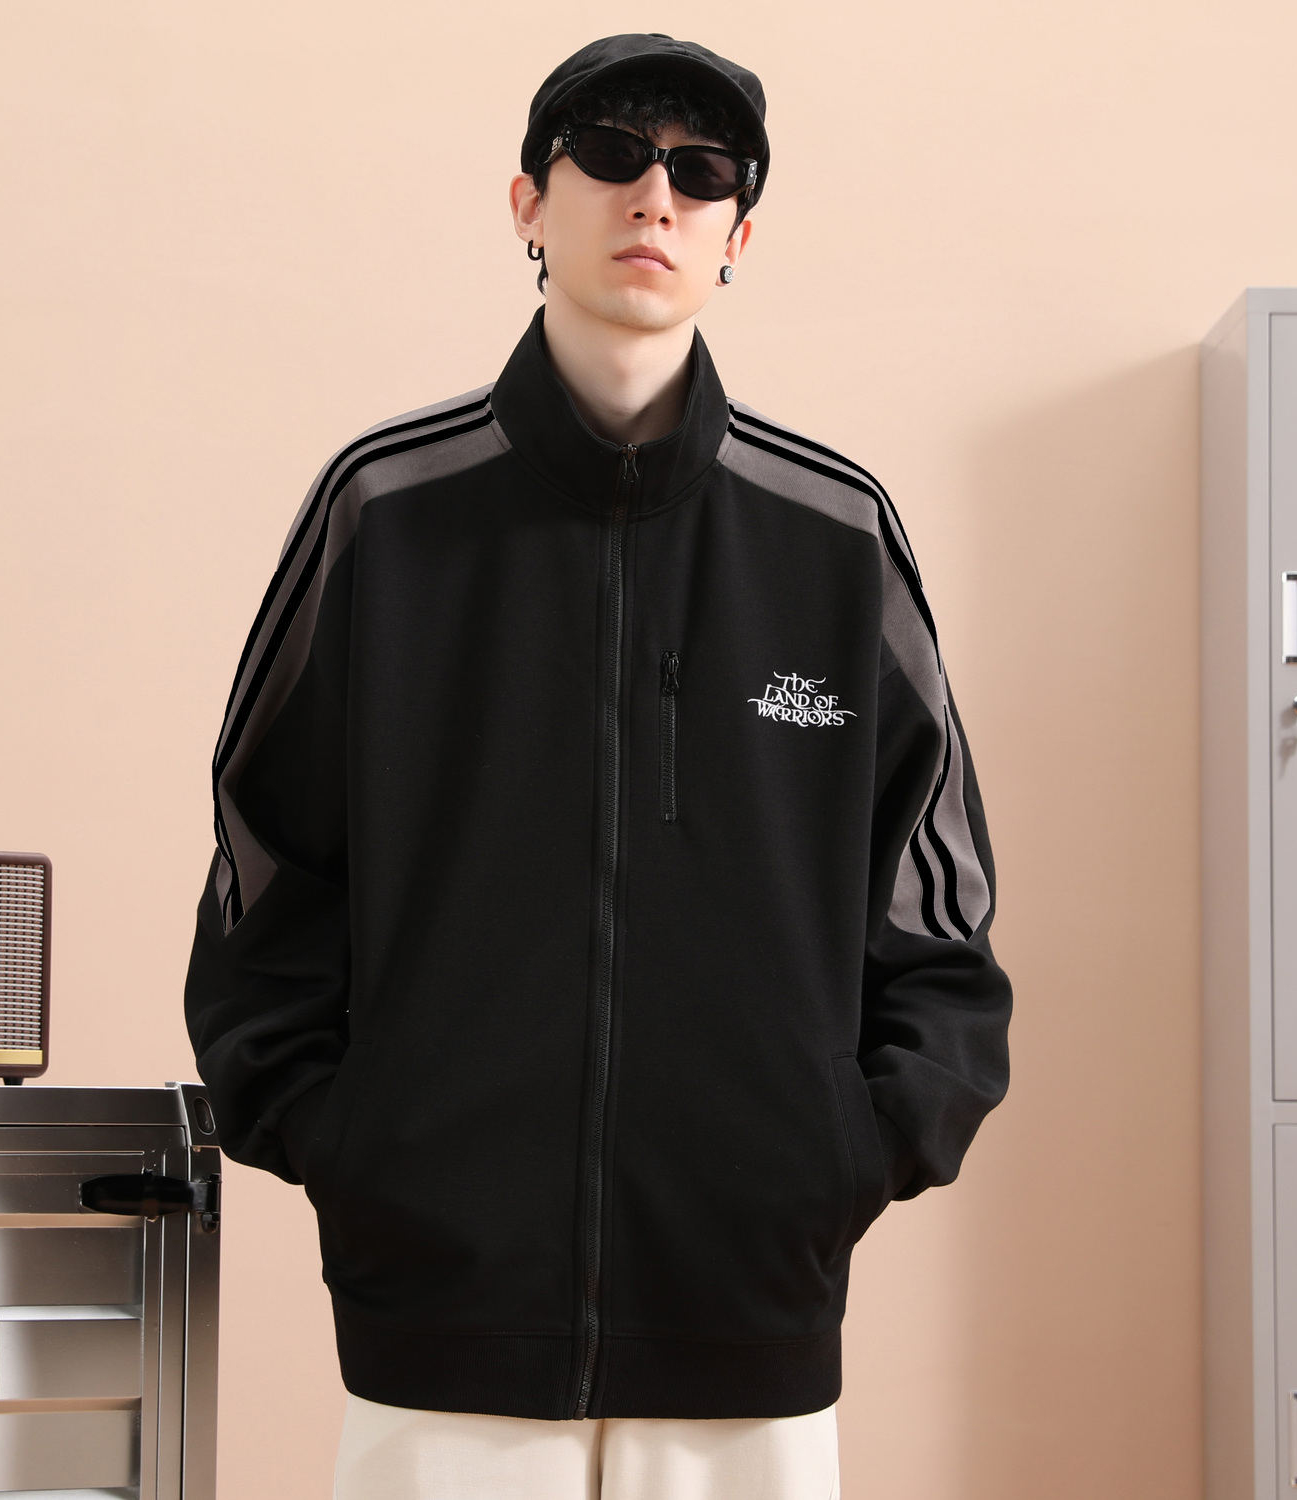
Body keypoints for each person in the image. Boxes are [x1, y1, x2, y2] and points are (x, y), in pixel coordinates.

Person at [184, 33, 1011, 1500]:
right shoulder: (387, 511)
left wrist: (847, 1149)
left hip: (749, 1304)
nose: (656, 196)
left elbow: (935, 896)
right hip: (444, 1310)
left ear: (738, 234)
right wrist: (357, 1143)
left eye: (703, 173)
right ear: (528, 202)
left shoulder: (834, 535)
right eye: (615, 155)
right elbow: (266, 854)